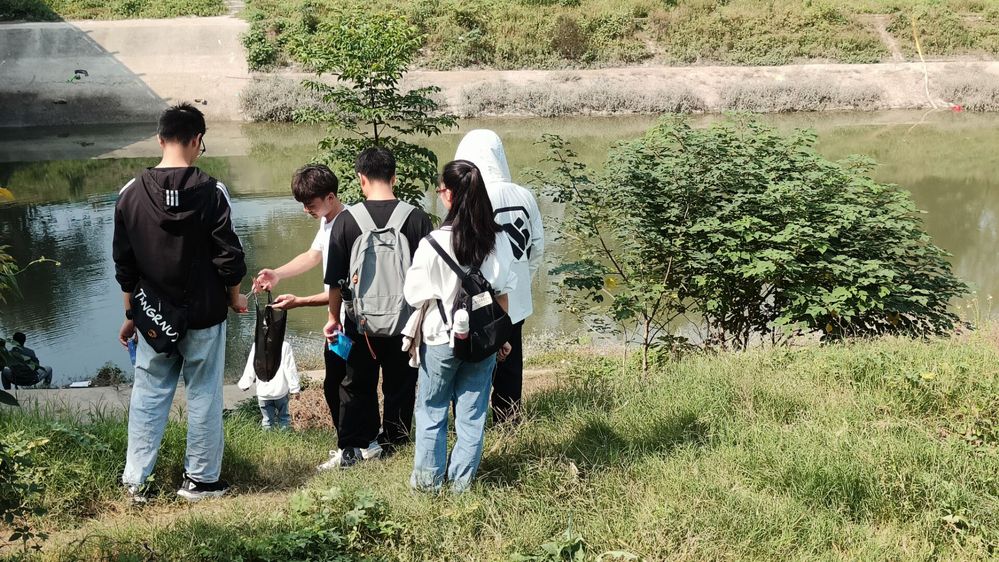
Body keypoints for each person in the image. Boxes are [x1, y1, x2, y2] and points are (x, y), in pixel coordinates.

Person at [113, 102, 247, 504]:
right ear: (197, 140)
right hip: (205, 313)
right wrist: (235, 299)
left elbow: (125, 266)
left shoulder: (129, 193)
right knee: (204, 393)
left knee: (148, 393)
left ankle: (136, 482)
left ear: (160, 139)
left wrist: (130, 315)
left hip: (153, 317)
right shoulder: (213, 191)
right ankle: (200, 481)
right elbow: (229, 258)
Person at [403, 159, 517, 493]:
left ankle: (428, 486)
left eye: (441, 190)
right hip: (482, 340)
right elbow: (502, 293)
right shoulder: (498, 240)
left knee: (432, 411)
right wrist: (500, 338)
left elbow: (413, 295)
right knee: (472, 415)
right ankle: (460, 486)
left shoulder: (432, 243)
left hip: (440, 338)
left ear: (450, 195)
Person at [321, 147, 433, 468]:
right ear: (394, 177)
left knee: (355, 383)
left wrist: (333, 318)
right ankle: (395, 441)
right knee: (401, 384)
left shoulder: (346, 221)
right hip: (405, 323)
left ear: (361, 179)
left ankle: (355, 445)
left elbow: (335, 280)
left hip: (360, 324)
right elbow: (428, 275)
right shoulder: (417, 218)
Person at [251, 165, 346, 445]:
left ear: (330, 197)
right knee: (335, 385)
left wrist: (301, 301)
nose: (306, 210)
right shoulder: (328, 220)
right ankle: (348, 444)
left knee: (346, 387)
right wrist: (277, 274)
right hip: (335, 319)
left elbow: (345, 290)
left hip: (349, 318)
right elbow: (312, 255)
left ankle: (355, 446)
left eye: (310, 205)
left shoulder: (348, 224)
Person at [454, 130, 545, 424]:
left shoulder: (472, 195)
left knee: (476, 364)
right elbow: (537, 247)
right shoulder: (525, 195)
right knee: (511, 365)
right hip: (516, 300)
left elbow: (462, 251)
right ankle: (509, 422)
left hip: (479, 298)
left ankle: (472, 425)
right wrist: (521, 279)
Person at [237, 341, 300, 430]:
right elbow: (290, 369)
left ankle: (267, 437)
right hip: (280, 391)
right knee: (284, 418)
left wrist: (245, 383)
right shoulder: (284, 345)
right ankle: (285, 436)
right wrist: (295, 389)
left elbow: (251, 366)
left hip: (263, 392)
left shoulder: (257, 345)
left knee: (267, 420)